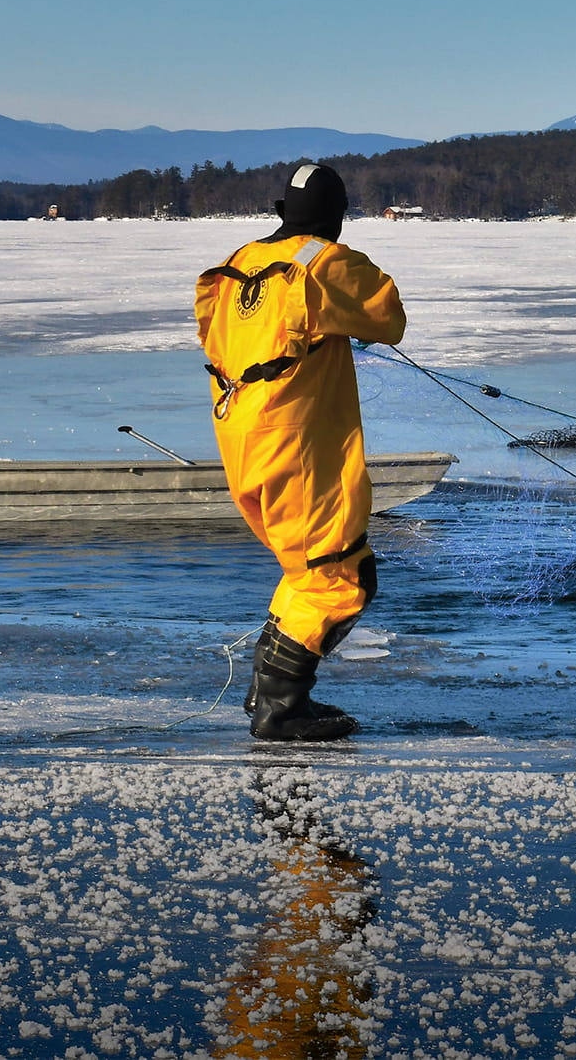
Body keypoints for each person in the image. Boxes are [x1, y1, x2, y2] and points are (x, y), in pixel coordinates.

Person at [194, 163, 406, 741]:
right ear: (337, 216)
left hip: (241, 439)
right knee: (343, 577)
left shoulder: (238, 262)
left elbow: (219, 336)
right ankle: (279, 708)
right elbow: (390, 318)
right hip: (301, 445)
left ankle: (268, 694)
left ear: (281, 209)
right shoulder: (327, 263)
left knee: (306, 569)